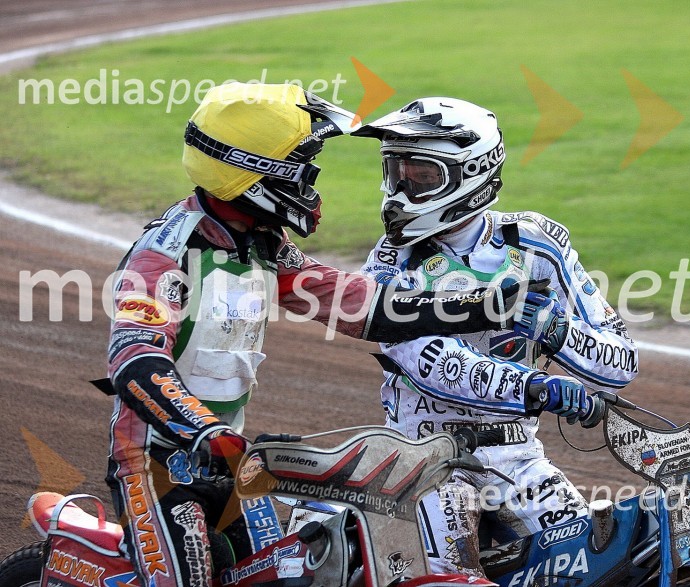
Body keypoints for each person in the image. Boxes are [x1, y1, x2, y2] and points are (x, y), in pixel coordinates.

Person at [105, 83, 539, 587]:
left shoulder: (262, 244)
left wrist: (470, 306)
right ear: (255, 171)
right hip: (157, 462)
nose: (312, 179)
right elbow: (135, 365)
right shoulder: (165, 254)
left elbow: (356, 304)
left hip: (231, 461)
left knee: (287, 573)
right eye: (304, 164)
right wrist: (209, 434)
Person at [354, 97, 638, 577]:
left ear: (472, 173)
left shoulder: (537, 243)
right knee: (451, 579)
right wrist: (535, 387)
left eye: (421, 176)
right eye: (396, 173)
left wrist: (557, 331)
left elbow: (621, 365)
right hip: (425, 456)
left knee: (591, 570)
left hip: (518, 458)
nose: (401, 191)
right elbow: (437, 364)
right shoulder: (387, 264)